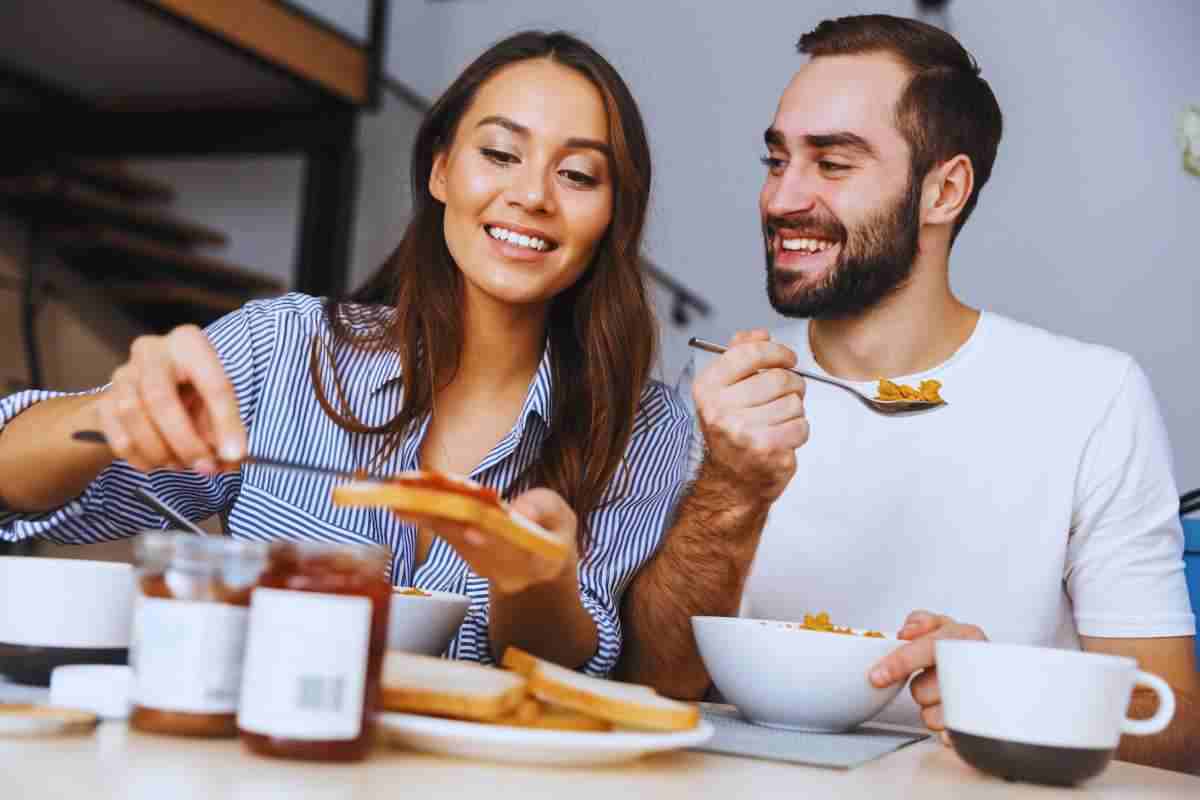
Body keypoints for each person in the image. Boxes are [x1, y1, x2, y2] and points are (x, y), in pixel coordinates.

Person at [0, 31, 692, 676]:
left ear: (613, 216)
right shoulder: (285, 348)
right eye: (500, 154)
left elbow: (565, 667)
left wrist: (533, 577)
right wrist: (113, 409)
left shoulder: (643, 428)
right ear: (442, 170)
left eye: (577, 175)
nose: (532, 195)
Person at [618, 14, 1199, 773]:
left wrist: (1008, 693)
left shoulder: (1093, 397)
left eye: (832, 164)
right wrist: (729, 487)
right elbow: (647, 686)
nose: (781, 197)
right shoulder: (723, 391)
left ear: (944, 190)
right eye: (777, 159)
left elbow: (1179, 732)